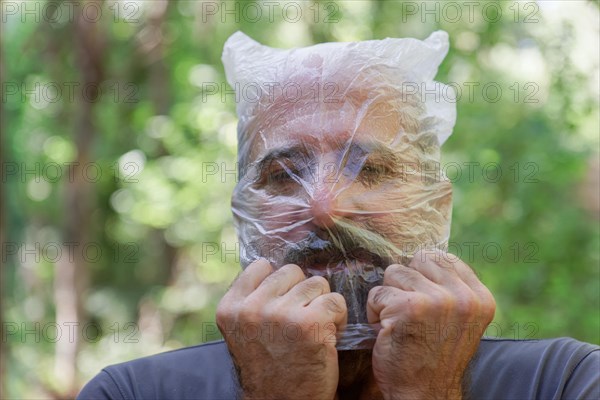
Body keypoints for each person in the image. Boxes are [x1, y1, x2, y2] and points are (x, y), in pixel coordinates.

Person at [78, 31, 599, 400]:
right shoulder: (130, 393)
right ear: (243, 212)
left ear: (436, 207)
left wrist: (429, 393)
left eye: (370, 169)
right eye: (284, 175)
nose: (326, 208)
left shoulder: (565, 382)